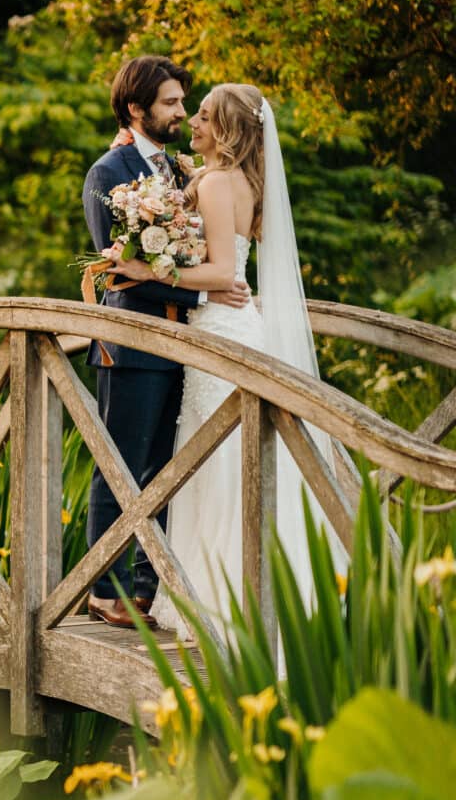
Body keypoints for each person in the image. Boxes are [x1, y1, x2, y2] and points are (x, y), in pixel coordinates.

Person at [108, 82, 341, 638]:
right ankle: (263, 600)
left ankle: (218, 603)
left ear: (229, 130)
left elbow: (220, 276)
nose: (193, 121)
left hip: (219, 338)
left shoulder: (214, 183)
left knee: (216, 462)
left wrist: (148, 269)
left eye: (206, 116)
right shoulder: (239, 182)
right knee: (230, 458)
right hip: (237, 331)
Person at [82, 56, 252, 629]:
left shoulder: (182, 171)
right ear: (137, 109)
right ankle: (103, 590)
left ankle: (148, 590)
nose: (182, 111)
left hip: (186, 344)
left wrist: (214, 285)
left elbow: (199, 248)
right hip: (131, 343)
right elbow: (122, 271)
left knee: (166, 471)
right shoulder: (110, 171)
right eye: (172, 103)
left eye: (184, 103)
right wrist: (207, 294)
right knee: (121, 466)